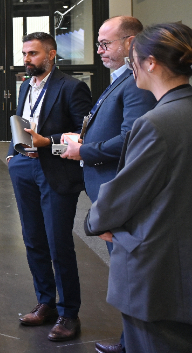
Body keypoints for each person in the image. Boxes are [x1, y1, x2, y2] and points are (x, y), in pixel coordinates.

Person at [85, 23, 192, 353]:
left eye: (134, 61)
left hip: (157, 270)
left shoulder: (155, 123)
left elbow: (128, 190)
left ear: (151, 63)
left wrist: (96, 221)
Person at [60, 16, 156, 353]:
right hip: (107, 189)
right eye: (98, 43)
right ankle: (129, 340)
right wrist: (82, 140)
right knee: (125, 273)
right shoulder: (119, 80)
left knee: (131, 275)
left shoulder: (135, 84)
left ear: (130, 43)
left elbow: (131, 138)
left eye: (105, 43)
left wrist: (84, 150)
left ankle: (134, 343)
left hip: (120, 193)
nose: (99, 50)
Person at [6, 32, 92, 341]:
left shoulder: (72, 87)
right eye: (24, 53)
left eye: (33, 53)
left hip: (55, 171)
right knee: (33, 240)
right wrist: (12, 154)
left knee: (58, 244)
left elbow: (84, 137)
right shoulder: (25, 85)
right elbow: (20, 122)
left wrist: (48, 143)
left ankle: (69, 313)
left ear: (51, 54)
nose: (27, 59)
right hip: (24, 168)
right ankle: (46, 303)